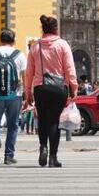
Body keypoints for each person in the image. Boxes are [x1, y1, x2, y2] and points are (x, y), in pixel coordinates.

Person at [23, 15, 77, 168]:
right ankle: (53, 157)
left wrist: (28, 92)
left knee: (42, 121)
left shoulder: (35, 46)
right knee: (54, 122)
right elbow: (69, 68)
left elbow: (29, 72)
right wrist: (74, 87)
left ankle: (43, 147)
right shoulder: (63, 45)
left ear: (43, 29)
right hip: (59, 88)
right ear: (55, 29)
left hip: (41, 88)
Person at [0, 28, 27, 165]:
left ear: (0, 40)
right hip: (14, 95)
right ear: (14, 40)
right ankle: (9, 156)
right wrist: (27, 94)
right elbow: (24, 77)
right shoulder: (20, 55)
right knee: (13, 125)